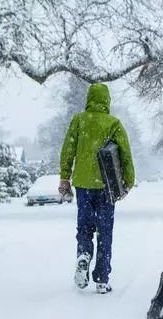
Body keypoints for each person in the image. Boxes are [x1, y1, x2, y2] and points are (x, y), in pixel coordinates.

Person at [58, 83, 135, 294]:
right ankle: (102, 279)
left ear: (89, 99)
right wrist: (128, 181)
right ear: (107, 101)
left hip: (82, 184)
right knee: (105, 231)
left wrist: (65, 177)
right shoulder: (114, 124)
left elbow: (67, 150)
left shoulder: (79, 120)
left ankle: (83, 254)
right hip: (106, 185)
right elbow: (125, 155)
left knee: (84, 228)